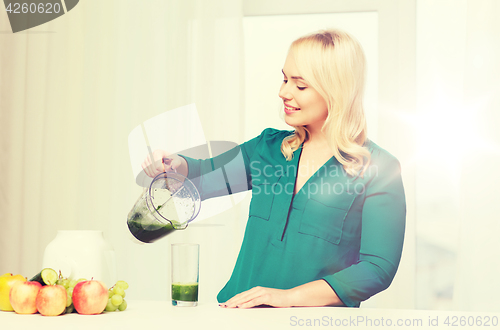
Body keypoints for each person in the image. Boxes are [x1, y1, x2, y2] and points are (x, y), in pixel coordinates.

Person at [142, 29, 406, 308]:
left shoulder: (380, 169)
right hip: (237, 317)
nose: (283, 92)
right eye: (284, 79)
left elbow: (377, 269)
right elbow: (203, 177)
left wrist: (289, 297)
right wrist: (174, 165)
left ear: (336, 90)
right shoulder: (267, 148)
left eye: (300, 85)